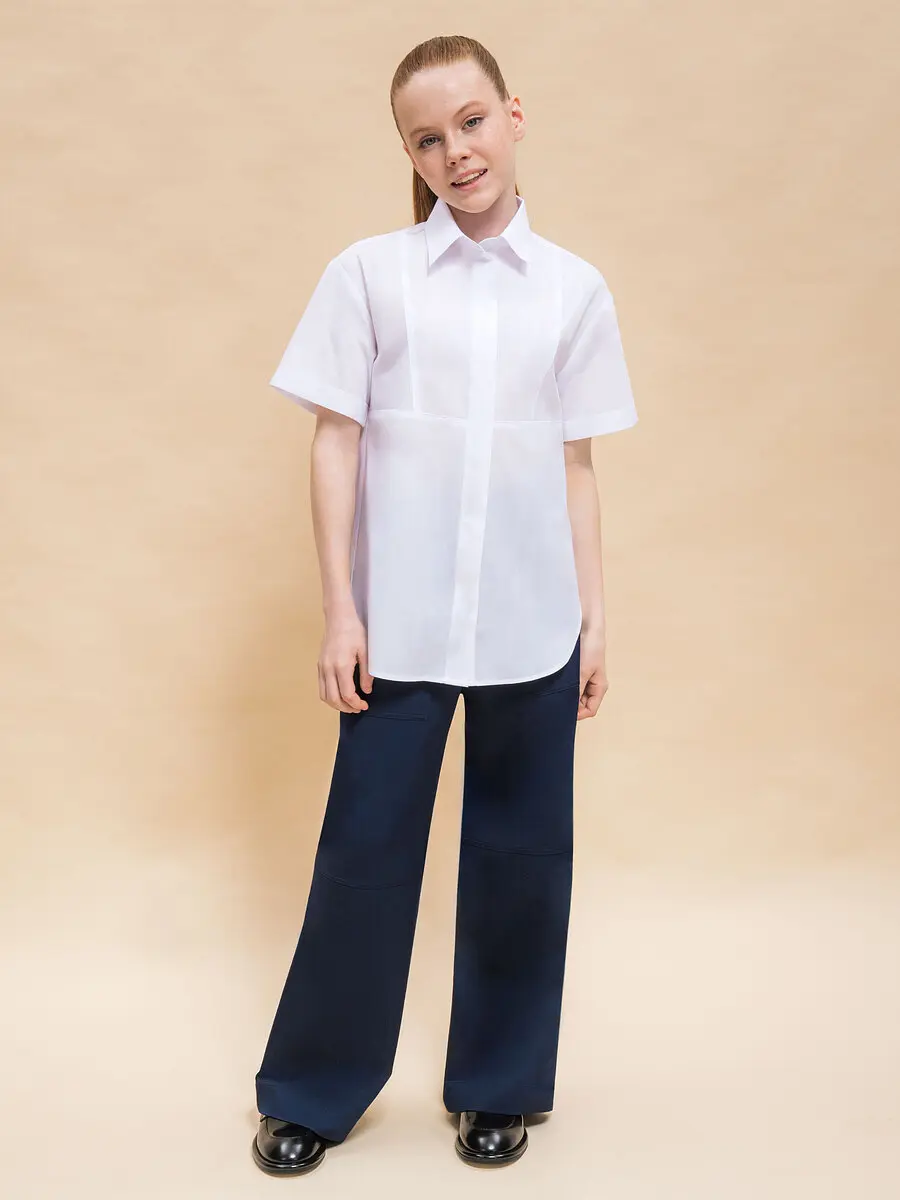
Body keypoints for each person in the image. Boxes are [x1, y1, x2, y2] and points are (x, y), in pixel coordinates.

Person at [251, 33, 638, 1175]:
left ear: (514, 116)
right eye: (427, 138)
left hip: (532, 620)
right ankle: (314, 1092)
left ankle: (499, 1086)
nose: (454, 151)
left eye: (470, 122)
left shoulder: (574, 290)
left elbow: (575, 466)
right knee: (364, 855)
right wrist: (341, 610)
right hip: (401, 626)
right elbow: (336, 443)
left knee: (524, 859)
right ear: (410, 156)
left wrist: (595, 619)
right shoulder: (369, 276)